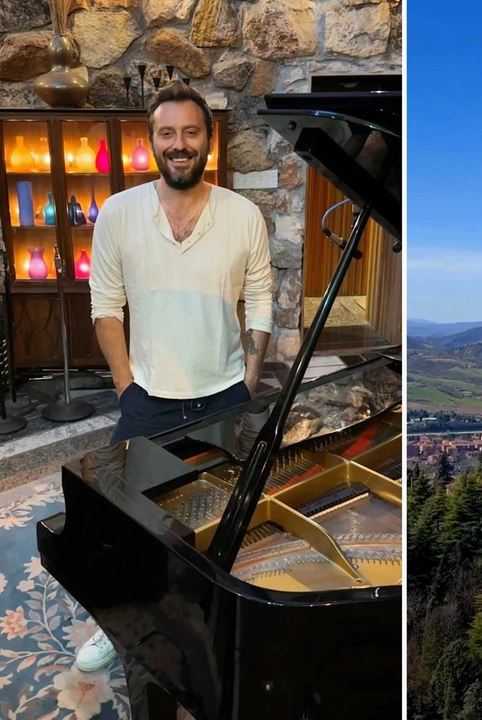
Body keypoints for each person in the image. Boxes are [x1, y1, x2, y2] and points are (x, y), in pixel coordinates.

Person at [76, 81, 275, 673]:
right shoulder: (118, 213)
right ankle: (118, 626)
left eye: (191, 132)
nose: (179, 144)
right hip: (147, 397)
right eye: (168, 133)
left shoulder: (243, 216)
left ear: (208, 141)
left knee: (223, 514)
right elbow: (105, 307)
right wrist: (124, 385)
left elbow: (261, 299)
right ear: (152, 142)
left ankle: (213, 624)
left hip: (223, 395)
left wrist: (250, 374)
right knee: (117, 520)